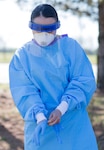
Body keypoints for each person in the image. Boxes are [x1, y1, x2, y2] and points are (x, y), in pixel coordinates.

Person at [9, 3, 98, 150]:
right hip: (40, 126)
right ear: (31, 28)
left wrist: (62, 108)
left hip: (73, 124)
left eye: (49, 30)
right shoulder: (22, 57)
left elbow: (82, 81)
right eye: (38, 29)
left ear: (57, 27)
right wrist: (40, 116)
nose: (44, 34)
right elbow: (24, 91)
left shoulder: (71, 48)